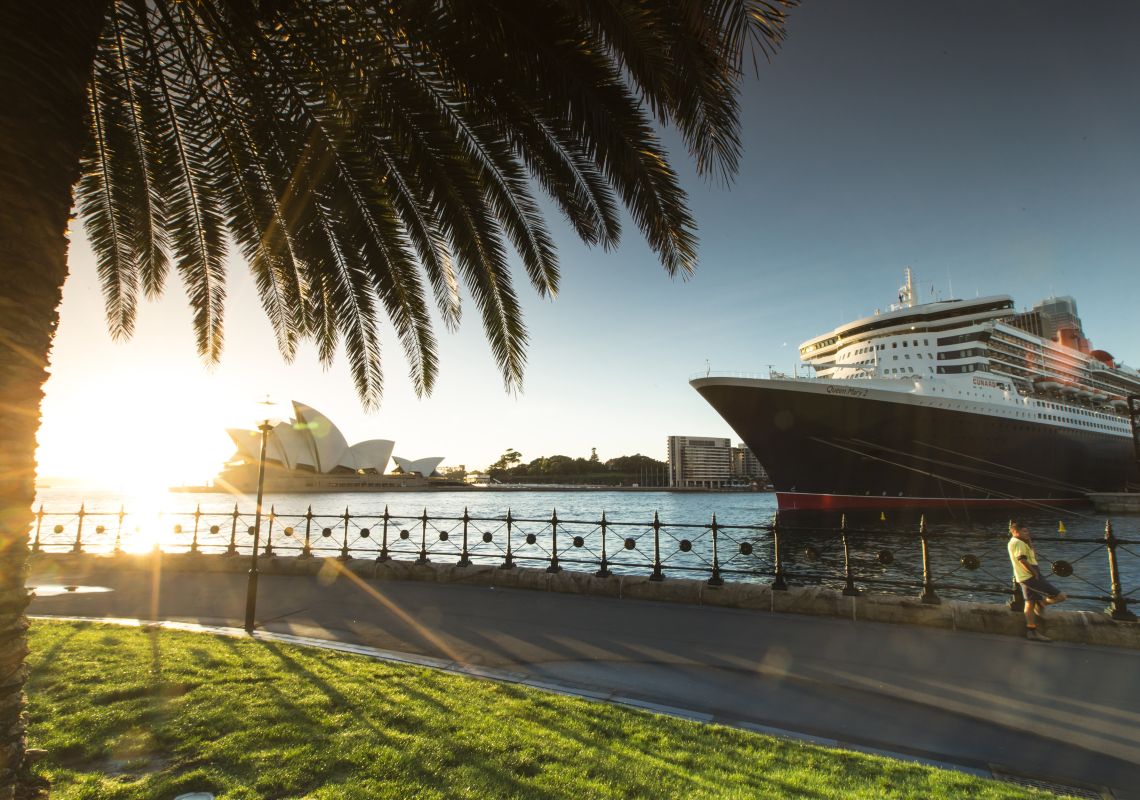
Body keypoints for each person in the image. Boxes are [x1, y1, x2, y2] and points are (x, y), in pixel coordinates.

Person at [1008, 520, 1067, 641]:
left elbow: (1033, 556)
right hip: (1030, 576)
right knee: (1061, 596)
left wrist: (1029, 543)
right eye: (1024, 531)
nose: (1027, 533)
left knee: (1029, 603)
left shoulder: (1015, 542)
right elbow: (1022, 560)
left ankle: (1032, 631)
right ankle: (1042, 604)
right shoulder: (1019, 543)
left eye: (1027, 531)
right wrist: (1034, 573)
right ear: (1015, 532)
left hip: (1023, 576)